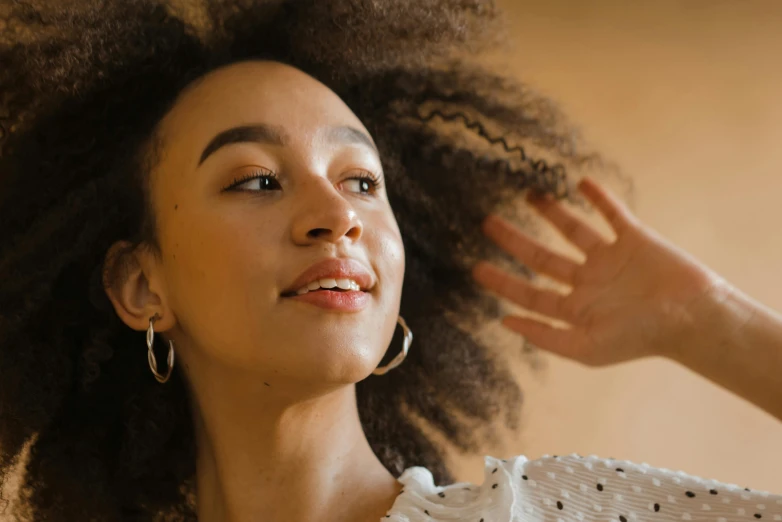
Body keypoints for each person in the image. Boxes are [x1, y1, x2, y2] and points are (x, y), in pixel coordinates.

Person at [0, 0, 779, 521]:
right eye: (258, 180)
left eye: (363, 183)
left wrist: (709, 324)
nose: (339, 216)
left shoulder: (545, 511)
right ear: (141, 285)